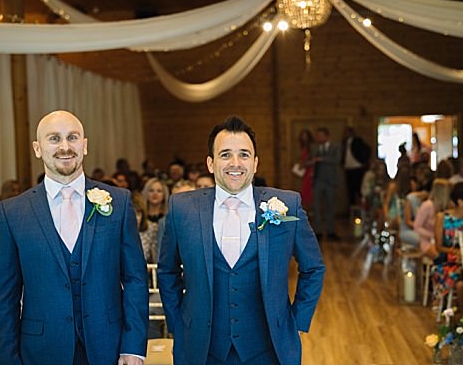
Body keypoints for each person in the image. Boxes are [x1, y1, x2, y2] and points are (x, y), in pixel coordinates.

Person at [157, 116, 326, 365]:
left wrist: (297, 320)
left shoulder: (288, 205)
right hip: (201, 349)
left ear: (255, 163)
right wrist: (179, 322)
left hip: (270, 348)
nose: (235, 163)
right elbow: (167, 271)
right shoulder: (182, 208)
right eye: (225, 154)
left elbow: (313, 268)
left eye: (244, 154)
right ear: (210, 163)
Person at [0, 110, 147, 364]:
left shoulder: (119, 202)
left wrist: (133, 348)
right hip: (41, 351)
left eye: (72, 137)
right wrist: (8, 362)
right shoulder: (12, 212)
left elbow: (135, 279)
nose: (65, 147)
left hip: (109, 347)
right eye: (54, 138)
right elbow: (4, 296)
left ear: (84, 145)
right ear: (37, 148)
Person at [431, 182, 463, 313]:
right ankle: (462, 311)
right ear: (460, 202)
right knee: (456, 273)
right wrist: (456, 252)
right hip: (447, 259)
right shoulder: (443, 218)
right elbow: (439, 246)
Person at [311, 127, 342, 240]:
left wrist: (322, 159)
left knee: (330, 207)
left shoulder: (335, 147)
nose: (318, 138)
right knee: (317, 208)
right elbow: (311, 160)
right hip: (318, 180)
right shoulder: (315, 148)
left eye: (320, 135)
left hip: (330, 181)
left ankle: (331, 231)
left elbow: (337, 160)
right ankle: (318, 231)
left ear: (327, 135)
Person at [414, 179, 451, 259]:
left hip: (443, 242)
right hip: (427, 240)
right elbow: (417, 227)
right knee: (441, 257)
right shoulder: (427, 205)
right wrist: (433, 235)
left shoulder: (448, 207)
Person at [138, 178, 169, 263]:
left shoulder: (169, 217)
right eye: (151, 190)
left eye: (159, 191)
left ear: (164, 195)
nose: (155, 194)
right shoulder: (139, 217)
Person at [294, 129, 315, 206]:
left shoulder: (312, 146)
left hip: (309, 170)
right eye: (303, 136)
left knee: (309, 190)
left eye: (305, 136)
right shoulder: (302, 146)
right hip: (304, 170)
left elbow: (312, 159)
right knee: (304, 190)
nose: (304, 138)